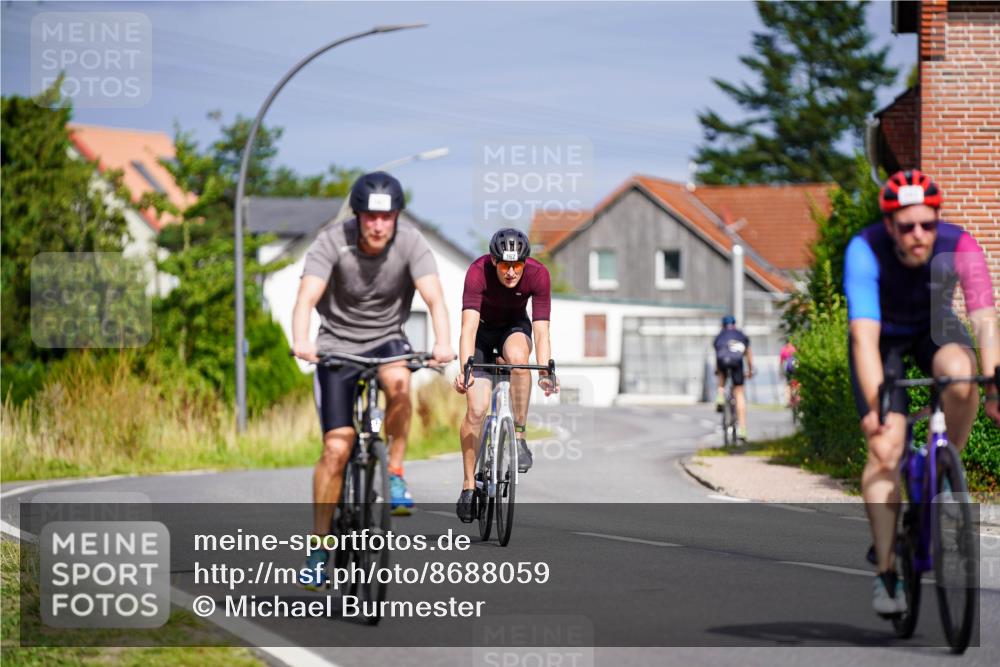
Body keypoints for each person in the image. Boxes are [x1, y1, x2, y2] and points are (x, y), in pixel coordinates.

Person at [844, 169, 999, 616]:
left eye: (927, 224)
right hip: (883, 337)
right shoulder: (865, 249)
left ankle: (946, 467)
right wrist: (877, 408)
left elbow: (985, 318)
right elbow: (863, 338)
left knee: (961, 372)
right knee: (886, 448)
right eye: (907, 225)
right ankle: (888, 573)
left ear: (938, 220)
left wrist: (994, 383)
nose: (918, 234)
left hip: (933, 326)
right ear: (889, 225)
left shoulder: (960, 243)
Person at [291, 171, 455, 588]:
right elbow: (307, 297)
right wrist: (301, 340)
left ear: (397, 216)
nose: (379, 226)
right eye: (370, 218)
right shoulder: (331, 241)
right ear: (358, 215)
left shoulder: (411, 242)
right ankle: (319, 546)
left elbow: (434, 297)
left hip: (386, 341)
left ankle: (395, 471)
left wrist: (443, 343)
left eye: (387, 218)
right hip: (336, 346)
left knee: (400, 383)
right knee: (335, 448)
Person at [453, 227, 559, 522]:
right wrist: (466, 368)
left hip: (514, 329)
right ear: (493, 261)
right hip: (482, 335)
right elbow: (468, 329)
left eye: (517, 265)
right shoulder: (477, 272)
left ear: (525, 263)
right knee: (475, 409)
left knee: (519, 361)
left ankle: (520, 436)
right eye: (504, 265)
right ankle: (468, 485)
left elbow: (541, 330)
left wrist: (546, 369)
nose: (511, 272)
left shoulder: (538, 275)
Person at [713, 315, 754, 440]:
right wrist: (750, 369)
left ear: (723, 325)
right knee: (739, 392)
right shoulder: (740, 335)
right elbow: (748, 354)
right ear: (734, 324)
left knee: (721, 375)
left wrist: (717, 369)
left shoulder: (719, 336)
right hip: (737, 362)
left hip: (722, 361)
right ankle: (742, 429)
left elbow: (718, 354)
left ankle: (720, 395)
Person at [779, 340, 798, 407]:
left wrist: (780, 372)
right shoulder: (794, 348)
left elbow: (781, 362)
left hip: (787, 370)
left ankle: (789, 401)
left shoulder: (783, 350)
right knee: (795, 384)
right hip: (794, 369)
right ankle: (795, 399)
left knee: (788, 385)